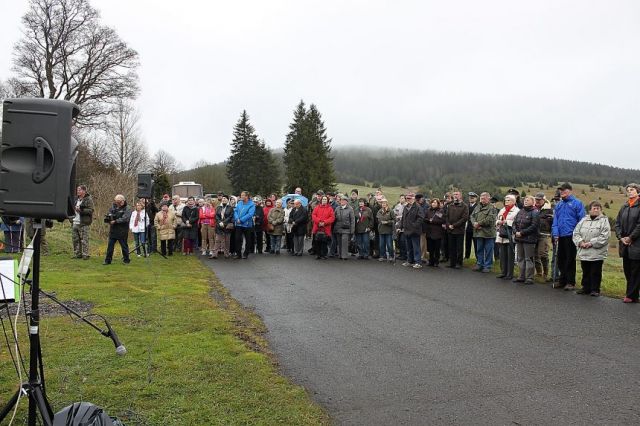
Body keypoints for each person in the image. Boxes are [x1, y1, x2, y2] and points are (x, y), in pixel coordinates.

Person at [551, 183, 585, 290]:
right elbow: (555, 220)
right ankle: (562, 280)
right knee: (560, 259)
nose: (562, 192)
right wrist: (555, 233)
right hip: (560, 235)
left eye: (564, 190)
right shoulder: (559, 205)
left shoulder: (577, 203)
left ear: (570, 191)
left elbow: (581, 220)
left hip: (571, 235)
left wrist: (578, 234)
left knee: (570, 259)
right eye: (560, 190)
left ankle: (570, 282)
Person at [573, 201, 610, 297]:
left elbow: (605, 237)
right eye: (594, 208)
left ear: (601, 210)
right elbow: (576, 233)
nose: (596, 210)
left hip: (596, 252)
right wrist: (580, 242)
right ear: (589, 210)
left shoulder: (604, 221)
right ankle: (585, 287)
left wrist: (591, 243)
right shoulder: (583, 220)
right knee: (585, 270)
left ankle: (595, 289)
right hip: (584, 250)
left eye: (598, 208)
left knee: (595, 271)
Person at [615, 183, 640, 303]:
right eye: (628, 190)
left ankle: (630, 295)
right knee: (627, 269)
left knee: (635, 270)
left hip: (637, 244)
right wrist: (621, 237)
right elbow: (617, 223)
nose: (629, 192)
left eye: (632, 190)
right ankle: (633, 295)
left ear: (638, 191)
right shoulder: (624, 206)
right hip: (624, 244)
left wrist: (630, 238)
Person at [512, 196, 540, 284]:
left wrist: (522, 233)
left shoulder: (535, 212)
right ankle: (521, 276)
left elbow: (534, 226)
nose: (526, 201)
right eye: (525, 200)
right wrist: (515, 231)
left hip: (529, 239)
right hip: (519, 238)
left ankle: (529, 278)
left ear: (533, 202)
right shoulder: (520, 211)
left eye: (528, 200)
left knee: (529, 258)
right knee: (520, 258)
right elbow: (514, 223)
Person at [470, 192, 497, 273]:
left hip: (488, 233)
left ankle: (487, 266)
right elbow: (472, 216)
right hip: (478, 232)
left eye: (484, 198)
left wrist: (478, 223)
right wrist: (474, 223)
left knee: (488, 250)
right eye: (481, 198)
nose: (482, 200)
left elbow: (490, 220)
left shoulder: (492, 208)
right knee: (479, 249)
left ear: (489, 198)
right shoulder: (477, 207)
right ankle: (479, 264)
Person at [495, 194, 520, 280]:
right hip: (502, 234)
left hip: (510, 235)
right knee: (502, 255)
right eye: (505, 200)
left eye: (508, 200)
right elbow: (497, 219)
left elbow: (517, 222)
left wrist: (507, 222)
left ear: (513, 201)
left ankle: (509, 274)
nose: (506, 202)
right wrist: (499, 222)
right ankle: (503, 272)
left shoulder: (517, 211)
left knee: (510, 256)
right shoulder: (502, 210)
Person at [103, 194, 132, 265]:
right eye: (116, 201)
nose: (117, 203)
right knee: (110, 246)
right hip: (113, 230)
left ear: (123, 201)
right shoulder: (113, 207)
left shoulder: (127, 208)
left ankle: (126, 260)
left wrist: (115, 221)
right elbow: (110, 213)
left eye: (118, 201)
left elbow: (125, 218)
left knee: (124, 246)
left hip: (122, 230)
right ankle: (107, 260)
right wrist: (109, 218)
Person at [445, 191, 469, 269]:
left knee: (459, 248)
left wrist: (454, 225)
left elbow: (464, 218)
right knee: (451, 247)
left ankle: (459, 263)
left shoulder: (464, 206)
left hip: (459, 230)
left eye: (457, 194)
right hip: (450, 230)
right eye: (454, 194)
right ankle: (452, 262)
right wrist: (449, 225)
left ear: (460, 196)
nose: (455, 196)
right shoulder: (450, 205)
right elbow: (446, 216)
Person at [400, 193, 425, 269]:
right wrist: (401, 226)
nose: (408, 200)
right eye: (407, 198)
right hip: (407, 230)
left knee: (416, 247)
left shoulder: (418, 207)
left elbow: (421, 218)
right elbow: (403, 217)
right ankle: (410, 261)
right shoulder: (405, 207)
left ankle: (418, 262)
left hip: (415, 231)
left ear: (413, 199)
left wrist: (414, 226)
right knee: (409, 247)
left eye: (410, 198)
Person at [534, 192, 554, 281]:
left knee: (543, 253)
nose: (537, 201)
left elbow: (553, 223)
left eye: (539, 199)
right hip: (533, 234)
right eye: (536, 199)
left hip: (544, 234)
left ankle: (546, 273)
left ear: (544, 200)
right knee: (534, 254)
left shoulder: (550, 209)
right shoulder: (533, 209)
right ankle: (539, 272)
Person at [71, 185, 93, 259]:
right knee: (75, 239)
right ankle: (77, 254)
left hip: (83, 222)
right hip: (74, 221)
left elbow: (91, 210)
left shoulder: (88, 199)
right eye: (77, 190)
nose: (78, 191)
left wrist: (81, 210)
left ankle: (85, 254)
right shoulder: (75, 199)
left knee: (84, 240)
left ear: (84, 191)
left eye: (79, 190)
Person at [234, 191, 256, 259]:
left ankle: (246, 253)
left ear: (247, 196)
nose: (241, 196)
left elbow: (250, 214)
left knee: (248, 240)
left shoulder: (252, 204)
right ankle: (238, 254)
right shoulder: (239, 203)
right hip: (238, 224)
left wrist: (241, 220)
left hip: (247, 225)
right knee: (237, 239)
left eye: (243, 195)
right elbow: (236, 211)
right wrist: (237, 218)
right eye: (241, 195)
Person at [425, 199, 445, 267]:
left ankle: (436, 261)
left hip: (437, 232)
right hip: (429, 232)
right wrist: (429, 220)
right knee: (430, 248)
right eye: (432, 202)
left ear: (438, 204)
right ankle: (431, 261)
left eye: (435, 202)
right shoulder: (428, 210)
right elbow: (425, 219)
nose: (433, 203)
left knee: (437, 248)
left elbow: (442, 220)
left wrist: (432, 221)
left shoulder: (440, 211)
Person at [334, 195, 355, 260]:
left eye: (343, 200)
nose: (342, 201)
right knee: (339, 242)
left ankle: (344, 256)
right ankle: (340, 255)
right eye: (341, 200)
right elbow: (334, 218)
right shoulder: (337, 208)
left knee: (344, 242)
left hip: (346, 229)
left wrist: (352, 230)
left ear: (346, 202)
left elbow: (352, 220)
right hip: (338, 228)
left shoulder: (350, 209)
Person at [465, 192, 479, 259]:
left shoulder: (478, 206)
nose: (471, 199)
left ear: (476, 198)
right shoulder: (466, 206)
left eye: (472, 197)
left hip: (475, 228)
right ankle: (467, 256)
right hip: (468, 227)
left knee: (476, 244)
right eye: (470, 197)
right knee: (467, 243)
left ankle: (477, 257)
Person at [393, 195, 407, 260]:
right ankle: (401, 254)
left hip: (404, 226)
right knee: (398, 241)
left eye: (403, 198)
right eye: (400, 198)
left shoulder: (407, 206)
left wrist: (400, 217)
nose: (401, 199)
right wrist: (396, 216)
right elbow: (394, 213)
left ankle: (405, 255)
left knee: (403, 241)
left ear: (405, 199)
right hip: (397, 225)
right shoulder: (397, 206)